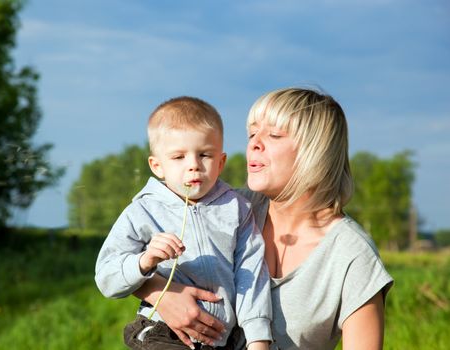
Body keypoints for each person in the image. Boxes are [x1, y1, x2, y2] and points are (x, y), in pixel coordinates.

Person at [133, 88, 394, 350]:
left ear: (317, 152)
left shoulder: (352, 254)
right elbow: (121, 261)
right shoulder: (228, 208)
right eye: (252, 133)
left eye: (274, 134)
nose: (254, 143)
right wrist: (161, 294)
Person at [94, 96, 273, 350]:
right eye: (178, 157)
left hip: (224, 339)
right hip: (164, 333)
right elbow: (106, 276)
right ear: (158, 166)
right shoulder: (144, 210)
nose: (194, 166)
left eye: (205, 155)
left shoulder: (236, 209)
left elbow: (251, 274)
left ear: (220, 162)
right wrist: (145, 261)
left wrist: (257, 340)